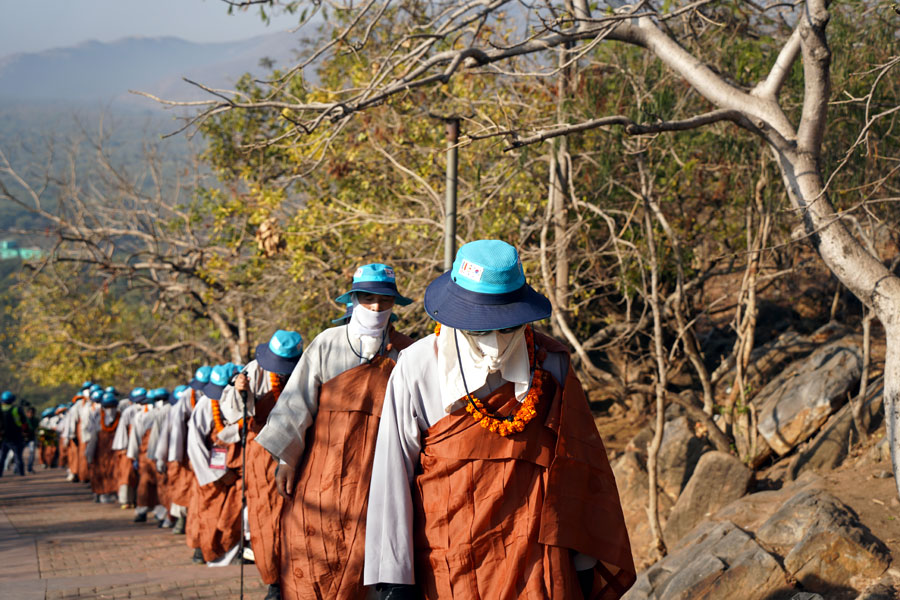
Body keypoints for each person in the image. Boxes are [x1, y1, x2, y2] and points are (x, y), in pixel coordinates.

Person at [364, 240, 636, 599]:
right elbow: (391, 475)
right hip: (448, 567)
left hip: (536, 566)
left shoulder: (549, 365)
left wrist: (582, 567)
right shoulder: (418, 367)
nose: (494, 343)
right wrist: (395, 580)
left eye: (506, 328)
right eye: (479, 329)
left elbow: (578, 474)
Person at [256, 263, 414, 600]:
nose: (375, 307)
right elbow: (296, 404)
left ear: (394, 305)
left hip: (378, 471)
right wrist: (286, 461)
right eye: (367, 298)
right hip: (321, 468)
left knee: (363, 556)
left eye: (384, 300)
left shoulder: (405, 352)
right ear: (353, 299)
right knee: (310, 548)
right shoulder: (327, 343)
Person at [220, 330, 304, 600]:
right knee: (266, 519)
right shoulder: (253, 370)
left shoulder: (305, 365)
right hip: (263, 455)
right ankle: (274, 582)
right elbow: (235, 412)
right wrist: (240, 391)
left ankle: (300, 576)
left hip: (300, 450)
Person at [187, 363, 244, 565]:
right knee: (208, 510)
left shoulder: (243, 399)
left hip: (237, 469)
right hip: (212, 469)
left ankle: (232, 550)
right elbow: (194, 444)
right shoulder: (205, 404)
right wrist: (218, 474)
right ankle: (205, 549)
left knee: (233, 513)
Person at [86, 390, 121, 503]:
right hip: (100, 452)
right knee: (100, 472)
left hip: (115, 452)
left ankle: (113, 492)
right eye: (107, 407)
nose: (110, 409)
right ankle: (100, 492)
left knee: (115, 472)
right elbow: (93, 438)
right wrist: (89, 454)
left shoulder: (120, 418)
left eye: (112, 406)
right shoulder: (97, 417)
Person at [0, 391, 26, 477]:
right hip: (16, 436)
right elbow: (24, 422)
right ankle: (21, 473)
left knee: (2, 456)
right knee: (18, 456)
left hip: (4, 437)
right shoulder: (16, 409)